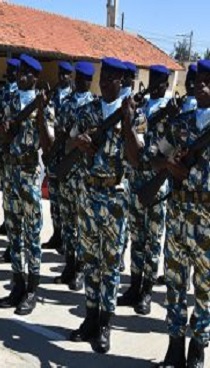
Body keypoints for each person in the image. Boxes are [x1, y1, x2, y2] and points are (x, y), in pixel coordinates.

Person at [149, 59, 210, 368]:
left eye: (209, 80)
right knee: (175, 284)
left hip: (208, 220)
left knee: (205, 289)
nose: (202, 84)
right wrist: (168, 165)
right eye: (199, 79)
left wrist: (188, 174)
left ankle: (197, 349)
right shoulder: (179, 123)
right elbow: (155, 155)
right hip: (178, 214)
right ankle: (174, 347)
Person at [66, 57, 128, 354]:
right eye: (102, 78)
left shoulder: (133, 114)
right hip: (88, 195)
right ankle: (90, 317)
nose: (104, 83)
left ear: (122, 82)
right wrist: (81, 143)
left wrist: (127, 123)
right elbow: (67, 142)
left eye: (111, 79)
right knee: (90, 260)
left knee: (111, 265)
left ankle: (106, 324)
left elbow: (138, 157)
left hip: (115, 198)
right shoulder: (87, 110)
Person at [0, 54, 54, 315]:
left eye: (28, 73)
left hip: (30, 174)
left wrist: (40, 112)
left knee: (32, 235)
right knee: (14, 231)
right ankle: (17, 285)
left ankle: (32, 289)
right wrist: (2, 129)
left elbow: (49, 144)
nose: (22, 77)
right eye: (20, 72)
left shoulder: (44, 105)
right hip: (9, 172)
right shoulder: (7, 99)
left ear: (36, 77)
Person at [119, 65, 172, 315]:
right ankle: (134, 285)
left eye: (161, 81)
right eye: (153, 79)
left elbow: (170, 147)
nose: (157, 85)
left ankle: (147, 291)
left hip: (157, 185)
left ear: (168, 82)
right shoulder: (141, 107)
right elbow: (134, 139)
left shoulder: (174, 110)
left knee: (152, 240)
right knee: (136, 238)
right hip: (136, 179)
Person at [52, 61, 96, 291]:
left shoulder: (95, 106)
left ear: (90, 82)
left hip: (85, 174)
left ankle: (80, 269)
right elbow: (59, 133)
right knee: (68, 221)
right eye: (78, 78)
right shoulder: (66, 103)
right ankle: (69, 265)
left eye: (84, 80)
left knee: (83, 224)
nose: (80, 82)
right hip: (66, 170)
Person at [43, 61, 73, 251]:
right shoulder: (52, 96)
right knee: (54, 198)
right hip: (53, 154)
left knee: (67, 200)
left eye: (66, 74)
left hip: (69, 157)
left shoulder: (75, 98)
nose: (62, 77)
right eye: (60, 73)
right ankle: (57, 234)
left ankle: (67, 239)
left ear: (71, 76)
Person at [0, 58, 20, 243]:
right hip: (3, 149)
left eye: (12, 70)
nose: (8, 73)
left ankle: (15, 235)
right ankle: (6, 221)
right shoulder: (4, 92)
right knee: (6, 189)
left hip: (16, 151)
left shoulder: (21, 94)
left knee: (16, 196)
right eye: (8, 69)